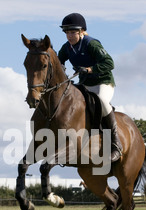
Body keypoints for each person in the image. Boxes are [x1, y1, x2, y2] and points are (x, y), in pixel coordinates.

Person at [58, 13, 122, 163]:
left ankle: (116, 144)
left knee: (102, 102)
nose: (69, 35)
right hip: (85, 84)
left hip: (102, 82)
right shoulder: (66, 48)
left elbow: (109, 63)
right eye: (67, 32)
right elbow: (59, 62)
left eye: (73, 32)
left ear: (81, 32)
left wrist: (89, 69)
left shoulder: (91, 44)